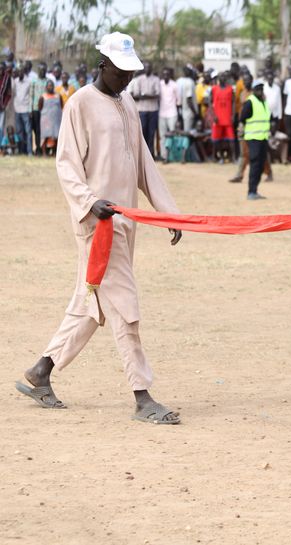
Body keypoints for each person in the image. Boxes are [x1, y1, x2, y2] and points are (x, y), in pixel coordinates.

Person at [15, 32, 182, 424]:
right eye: (121, 71)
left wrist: (168, 212)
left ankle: (42, 371)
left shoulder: (128, 106)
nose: (127, 79)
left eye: (131, 72)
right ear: (103, 65)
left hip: (126, 222)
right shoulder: (80, 105)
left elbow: (144, 165)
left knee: (90, 306)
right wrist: (91, 203)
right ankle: (143, 397)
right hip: (97, 225)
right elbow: (67, 165)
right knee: (125, 306)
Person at [240, 78, 270, 199]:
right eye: (258, 88)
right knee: (255, 164)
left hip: (263, 137)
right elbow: (242, 118)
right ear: (253, 90)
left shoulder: (264, 101)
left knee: (261, 164)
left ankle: (255, 190)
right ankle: (251, 191)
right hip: (253, 138)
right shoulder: (250, 102)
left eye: (262, 88)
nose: (260, 90)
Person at [128, 60, 160, 157]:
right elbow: (135, 96)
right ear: (143, 68)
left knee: (151, 133)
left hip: (153, 110)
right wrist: (147, 96)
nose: (147, 69)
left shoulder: (156, 79)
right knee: (142, 133)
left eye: (149, 67)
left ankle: (151, 154)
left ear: (151, 68)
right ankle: (143, 155)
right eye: (145, 67)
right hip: (141, 110)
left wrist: (144, 96)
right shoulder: (139, 79)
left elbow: (157, 95)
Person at [210, 71, 235, 163]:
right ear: (218, 78)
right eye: (221, 76)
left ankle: (233, 157)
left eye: (224, 76)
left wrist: (232, 115)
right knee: (217, 139)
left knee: (231, 139)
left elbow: (233, 102)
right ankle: (219, 157)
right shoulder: (214, 89)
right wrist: (213, 115)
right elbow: (210, 102)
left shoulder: (230, 89)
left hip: (227, 117)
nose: (222, 78)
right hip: (218, 118)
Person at [158, 67, 179, 162]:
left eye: (167, 74)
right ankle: (164, 156)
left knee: (172, 135)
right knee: (162, 136)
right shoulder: (159, 84)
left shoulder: (174, 85)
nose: (166, 76)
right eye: (164, 74)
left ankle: (172, 156)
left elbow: (178, 100)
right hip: (162, 113)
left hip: (172, 113)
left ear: (170, 75)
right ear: (162, 75)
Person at [12, 62, 33, 155]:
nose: (20, 73)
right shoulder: (15, 81)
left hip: (25, 109)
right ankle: (21, 150)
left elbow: (31, 96)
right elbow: (13, 94)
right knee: (19, 131)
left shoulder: (29, 82)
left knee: (28, 131)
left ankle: (29, 151)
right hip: (17, 109)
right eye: (18, 71)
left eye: (21, 71)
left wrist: (30, 110)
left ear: (24, 72)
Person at [38, 79, 62, 156]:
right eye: (49, 86)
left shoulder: (58, 96)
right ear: (46, 87)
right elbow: (40, 107)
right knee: (45, 135)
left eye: (51, 86)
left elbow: (61, 106)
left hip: (56, 119)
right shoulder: (43, 97)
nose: (50, 87)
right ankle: (44, 153)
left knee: (56, 135)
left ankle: (55, 152)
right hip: (46, 119)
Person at [29, 63, 49, 155]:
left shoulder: (48, 81)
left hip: (46, 109)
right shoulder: (34, 81)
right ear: (38, 71)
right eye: (41, 70)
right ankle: (37, 148)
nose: (42, 71)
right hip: (36, 109)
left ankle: (45, 148)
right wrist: (30, 110)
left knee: (45, 129)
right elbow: (31, 96)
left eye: (44, 70)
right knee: (36, 129)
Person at [176, 65, 197, 132]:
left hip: (180, 110)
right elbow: (189, 100)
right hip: (189, 111)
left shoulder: (178, 81)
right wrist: (195, 113)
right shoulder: (190, 82)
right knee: (187, 133)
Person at [0, 61, 11, 134]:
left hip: (2, 106)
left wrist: (5, 104)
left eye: (2, 69)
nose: (0, 71)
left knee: (1, 126)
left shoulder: (7, 78)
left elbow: (9, 93)